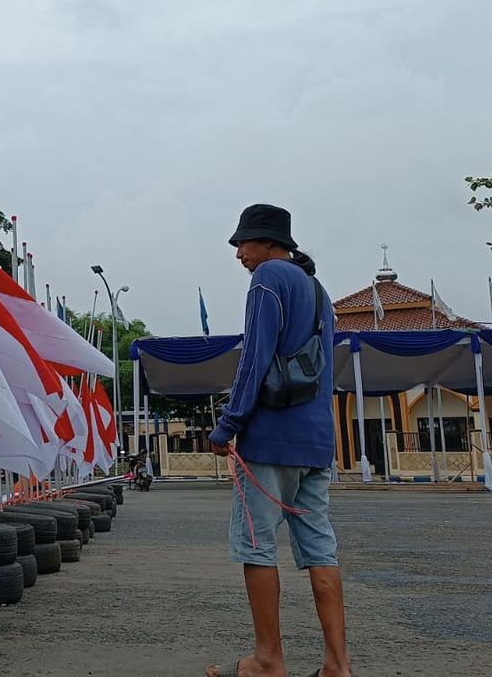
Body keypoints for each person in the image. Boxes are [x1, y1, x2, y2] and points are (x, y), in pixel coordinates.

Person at [205, 204, 351, 677]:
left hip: (269, 440)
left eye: (242, 243)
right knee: (321, 550)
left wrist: (228, 425)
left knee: (257, 546)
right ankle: (337, 664)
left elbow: (255, 356)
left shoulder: (268, 277)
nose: (239, 254)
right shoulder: (317, 289)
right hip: (315, 442)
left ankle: (268, 659)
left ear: (267, 242)